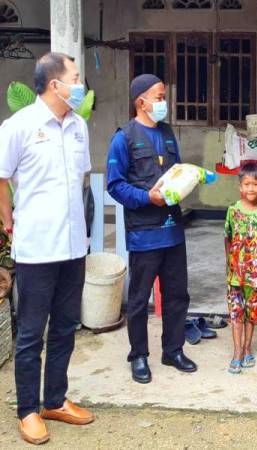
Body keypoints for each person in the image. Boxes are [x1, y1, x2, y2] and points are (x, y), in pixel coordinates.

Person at [0, 52, 94, 445]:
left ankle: (55, 399)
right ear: (55, 84)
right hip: (37, 248)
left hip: (73, 247)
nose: (80, 84)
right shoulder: (18, 126)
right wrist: (8, 223)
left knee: (65, 328)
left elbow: (83, 179)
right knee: (31, 334)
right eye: (75, 77)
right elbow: (1, 178)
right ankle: (27, 410)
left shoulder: (77, 127)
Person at [107, 74, 196, 384]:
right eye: (158, 97)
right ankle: (139, 356)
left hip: (173, 230)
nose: (163, 103)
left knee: (176, 295)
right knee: (139, 299)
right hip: (144, 232)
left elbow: (177, 172)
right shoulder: (124, 138)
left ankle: (173, 350)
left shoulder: (168, 133)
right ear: (140, 101)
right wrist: (147, 197)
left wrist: (194, 178)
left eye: (163, 97)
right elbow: (115, 186)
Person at [224, 163, 257, 374]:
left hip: (254, 274)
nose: (251, 189)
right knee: (236, 313)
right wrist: (228, 265)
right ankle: (237, 351)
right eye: (246, 184)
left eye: (255, 184)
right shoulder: (233, 211)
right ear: (240, 187)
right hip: (235, 273)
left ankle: (247, 348)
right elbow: (227, 238)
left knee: (251, 313)